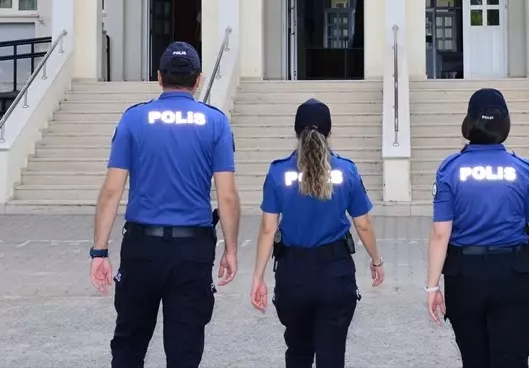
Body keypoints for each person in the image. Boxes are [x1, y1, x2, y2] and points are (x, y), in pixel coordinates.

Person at [89, 41, 241, 368]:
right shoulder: (215, 122)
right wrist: (231, 249)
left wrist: (99, 252)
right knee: (184, 350)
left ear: (159, 77)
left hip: (142, 247)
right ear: (198, 80)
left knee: (129, 344)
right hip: (192, 250)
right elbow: (226, 195)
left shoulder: (134, 119)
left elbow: (112, 191)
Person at [425, 88, 529, 368]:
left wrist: (431, 286)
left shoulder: (450, 168)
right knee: (512, 361)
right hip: (515, 275)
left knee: (474, 361)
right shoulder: (524, 169)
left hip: (465, 277)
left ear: (469, 122)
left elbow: (441, 233)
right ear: (505, 123)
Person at [250, 98, 384, 368]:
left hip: (293, 274)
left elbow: (268, 229)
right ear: (329, 131)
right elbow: (364, 224)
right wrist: (376, 261)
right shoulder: (346, 170)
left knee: (298, 352)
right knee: (331, 356)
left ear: (296, 132)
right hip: (335, 273)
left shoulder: (278, 172)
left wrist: (258, 277)